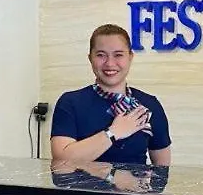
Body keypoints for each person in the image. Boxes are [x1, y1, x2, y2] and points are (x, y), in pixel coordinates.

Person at [50, 23, 171, 168]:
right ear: (90, 58)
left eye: (118, 55)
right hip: (80, 184)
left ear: (130, 57)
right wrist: (113, 132)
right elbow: (62, 161)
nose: (110, 63)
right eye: (101, 55)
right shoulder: (70, 102)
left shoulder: (149, 104)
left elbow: (162, 171)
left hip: (136, 184)